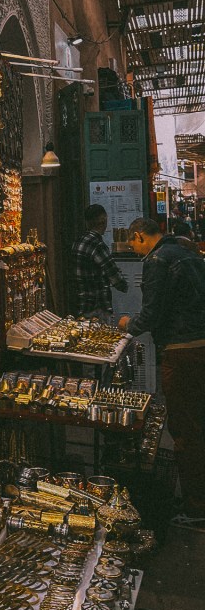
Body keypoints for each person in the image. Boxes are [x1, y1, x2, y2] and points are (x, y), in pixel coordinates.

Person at [118, 217, 205, 524]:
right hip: (200, 345)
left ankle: (197, 506)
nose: (135, 251)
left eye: (133, 244)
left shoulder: (157, 260)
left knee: (185, 428)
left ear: (140, 236)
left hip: (181, 351)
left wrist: (130, 325)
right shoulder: (188, 251)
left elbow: (152, 313)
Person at [71, 204, 129, 319]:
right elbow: (113, 275)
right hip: (97, 306)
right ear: (103, 221)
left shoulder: (77, 242)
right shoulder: (97, 245)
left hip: (81, 304)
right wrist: (124, 285)